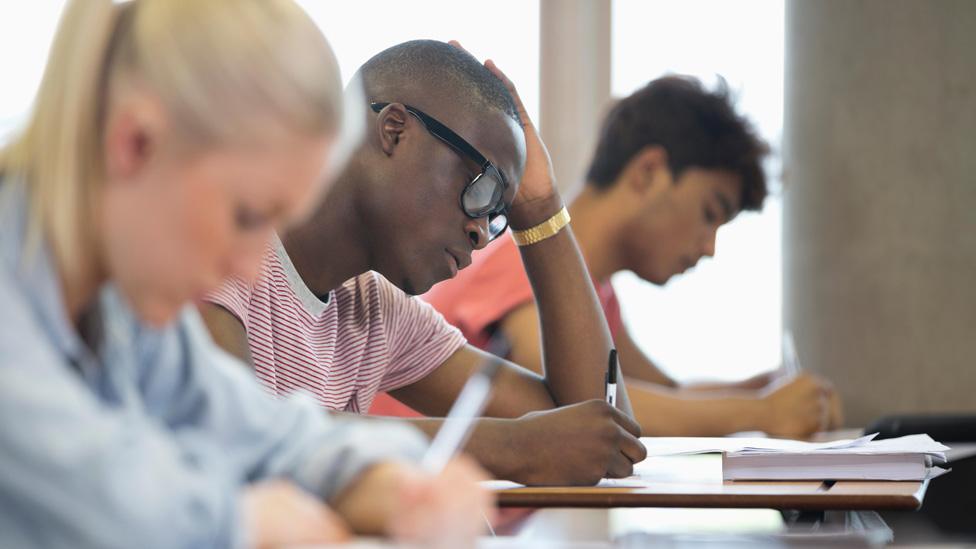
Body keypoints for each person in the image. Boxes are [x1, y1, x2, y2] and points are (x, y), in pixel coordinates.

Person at [0, 2, 490, 548]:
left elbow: (261, 429)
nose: (252, 265)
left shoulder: (118, 307)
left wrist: (392, 484)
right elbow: (102, 498)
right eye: (247, 217)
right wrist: (246, 521)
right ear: (135, 143)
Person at [201, 40, 647, 487]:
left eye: (497, 216)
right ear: (395, 130)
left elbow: (594, 436)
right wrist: (507, 446)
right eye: (483, 188)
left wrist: (540, 208)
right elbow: (240, 429)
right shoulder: (220, 241)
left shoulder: (374, 310)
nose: (480, 230)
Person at [420, 76, 843, 438]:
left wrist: (758, 391)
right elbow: (584, 399)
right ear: (649, 172)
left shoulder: (597, 298)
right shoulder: (522, 264)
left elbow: (663, 391)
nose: (709, 247)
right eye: (709, 214)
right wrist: (762, 414)